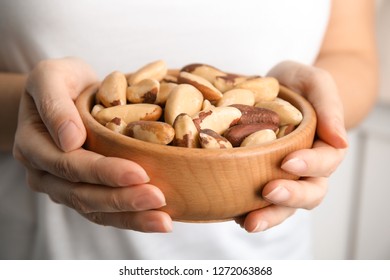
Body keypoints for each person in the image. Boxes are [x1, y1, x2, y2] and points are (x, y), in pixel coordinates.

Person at [0, 0, 378, 259]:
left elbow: (352, 55)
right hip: (46, 252)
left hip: (266, 254)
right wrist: (29, 110)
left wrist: (318, 112)